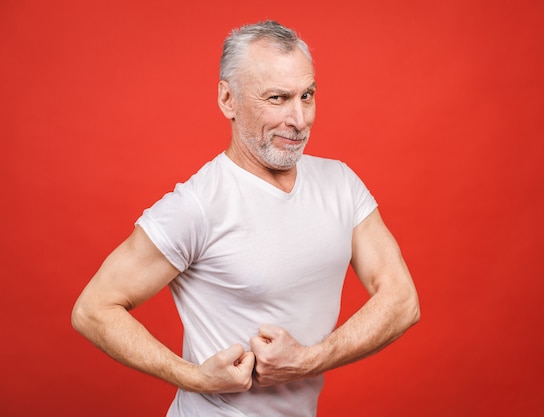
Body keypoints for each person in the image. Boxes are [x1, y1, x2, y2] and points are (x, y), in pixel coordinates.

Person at [72, 20, 420, 416]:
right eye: (277, 98)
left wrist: (310, 360)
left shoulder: (340, 183)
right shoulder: (199, 204)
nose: (299, 119)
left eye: (307, 95)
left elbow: (402, 299)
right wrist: (193, 377)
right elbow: (93, 309)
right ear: (227, 99)